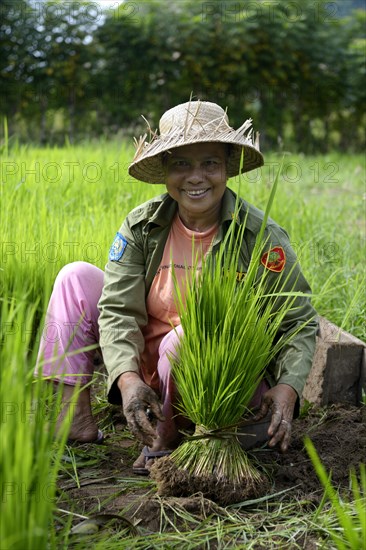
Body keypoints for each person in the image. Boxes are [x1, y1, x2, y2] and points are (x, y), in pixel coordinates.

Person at [36, 100, 318, 474]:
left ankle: (164, 442)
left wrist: (288, 389)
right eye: (181, 163)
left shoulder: (260, 237)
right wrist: (128, 379)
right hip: (150, 375)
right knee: (74, 277)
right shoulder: (143, 226)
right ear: (165, 170)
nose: (195, 177)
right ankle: (74, 422)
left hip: (218, 394)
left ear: (227, 168)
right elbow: (118, 309)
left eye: (210, 163)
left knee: (186, 336)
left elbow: (298, 321)